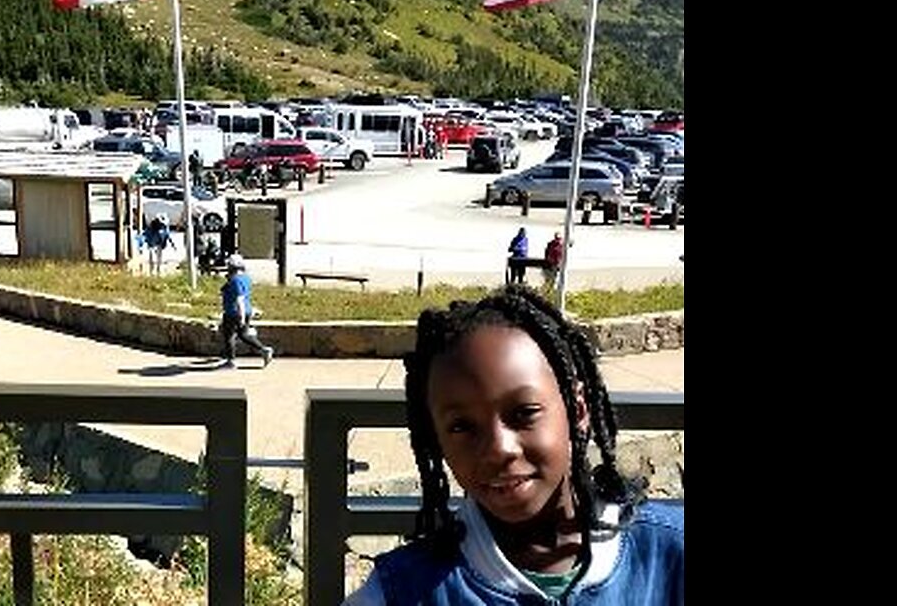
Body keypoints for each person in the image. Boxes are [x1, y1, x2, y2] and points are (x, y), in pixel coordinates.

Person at [343, 286, 683, 605]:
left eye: (524, 413)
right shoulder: (401, 592)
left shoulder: (668, 552)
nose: (498, 449)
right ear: (437, 439)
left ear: (577, 410)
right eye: (462, 426)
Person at [219, 254, 273, 369]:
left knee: (229, 336)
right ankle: (263, 350)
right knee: (243, 335)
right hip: (246, 310)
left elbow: (240, 298)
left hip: (234, 312)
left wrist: (241, 316)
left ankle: (230, 361)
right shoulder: (246, 278)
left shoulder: (235, 281)